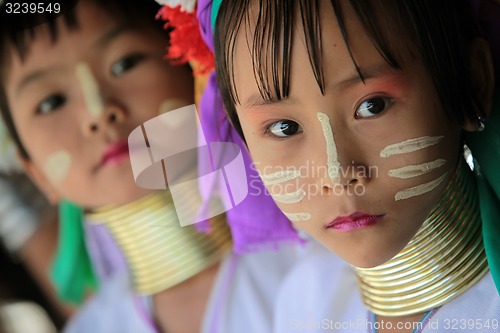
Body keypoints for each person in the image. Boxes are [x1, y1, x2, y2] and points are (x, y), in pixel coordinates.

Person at [0, 0, 299, 332]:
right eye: (51, 101)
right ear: (37, 174)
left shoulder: (322, 256)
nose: (98, 111)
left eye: (125, 63)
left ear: (194, 68)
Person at [210, 0, 500, 332]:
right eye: (284, 128)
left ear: (472, 83)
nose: (336, 174)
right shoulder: (305, 301)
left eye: (373, 106)